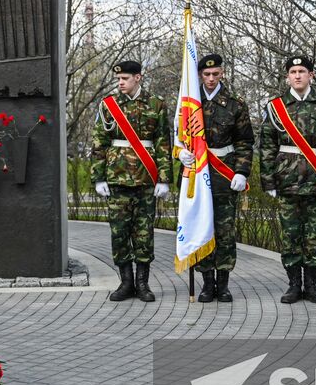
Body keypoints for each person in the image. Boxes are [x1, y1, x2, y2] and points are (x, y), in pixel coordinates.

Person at [258, 55, 316, 305]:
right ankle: (294, 285)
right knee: (290, 235)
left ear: (312, 75)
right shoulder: (275, 107)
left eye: (302, 71)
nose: (297, 75)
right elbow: (266, 146)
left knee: (313, 236)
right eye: (293, 71)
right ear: (287, 76)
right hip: (287, 181)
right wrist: (268, 181)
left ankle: (312, 285)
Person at [91, 60, 172, 302]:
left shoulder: (156, 104)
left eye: (125, 79)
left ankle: (143, 284)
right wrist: (98, 177)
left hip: (146, 180)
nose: (120, 83)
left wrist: (164, 178)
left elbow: (162, 143)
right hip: (117, 180)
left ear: (138, 77)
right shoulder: (109, 105)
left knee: (144, 233)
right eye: (118, 79)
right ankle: (125, 282)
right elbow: (99, 143)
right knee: (119, 233)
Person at [178, 54, 254, 302]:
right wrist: (180, 153)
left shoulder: (235, 104)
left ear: (222, 73)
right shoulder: (190, 103)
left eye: (216, 74)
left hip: (224, 173)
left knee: (225, 230)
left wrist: (242, 172)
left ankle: (223, 284)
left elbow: (245, 141)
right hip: (198, 174)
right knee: (201, 227)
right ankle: (206, 283)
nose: (211, 79)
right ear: (199, 75)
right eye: (206, 74)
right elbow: (178, 138)